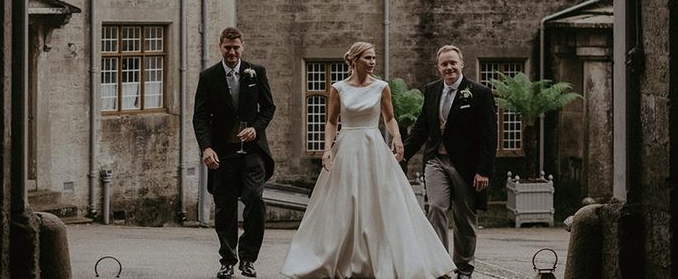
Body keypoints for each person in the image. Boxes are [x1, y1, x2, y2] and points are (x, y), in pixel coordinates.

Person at [281, 42, 456, 279]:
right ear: (354, 60)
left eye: (374, 58)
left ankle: (399, 258)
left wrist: (396, 138)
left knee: (384, 202)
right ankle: (339, 257)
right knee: (344, 202)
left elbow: (390, 118)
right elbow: (332, 121)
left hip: (373, 145)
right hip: (347, 146)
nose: (373, 62)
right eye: (368, 58)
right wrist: (327, 149)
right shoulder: (338, 88)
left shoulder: (382, 87)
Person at [403, 45, 498, 279]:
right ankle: (440, 266)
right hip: (436, 161)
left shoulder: (479, 93)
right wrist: (402, 154)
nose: (449, 68)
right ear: (438, 67)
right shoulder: (432, 90)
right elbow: (421, 128)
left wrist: (483, 171)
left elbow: (489, 136)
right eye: (444, 64)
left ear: (461, 64)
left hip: (466, 166)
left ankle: (464, 269)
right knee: (436, 206)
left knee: (464, 218)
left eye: (453, 63)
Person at [193, 27, 276, 279]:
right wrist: (206, 147)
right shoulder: (208, 77)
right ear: (220, 46)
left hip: (253, 151)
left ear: (243, 47)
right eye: (227, 47)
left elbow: (268, 108)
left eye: (236, 48)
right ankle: (227, 261)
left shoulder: (256, 72)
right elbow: (200, 117)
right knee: (225, 208)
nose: (231, 52)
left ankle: (248, 258)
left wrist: (255, 128)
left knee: (255, 199)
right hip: (222, 153)